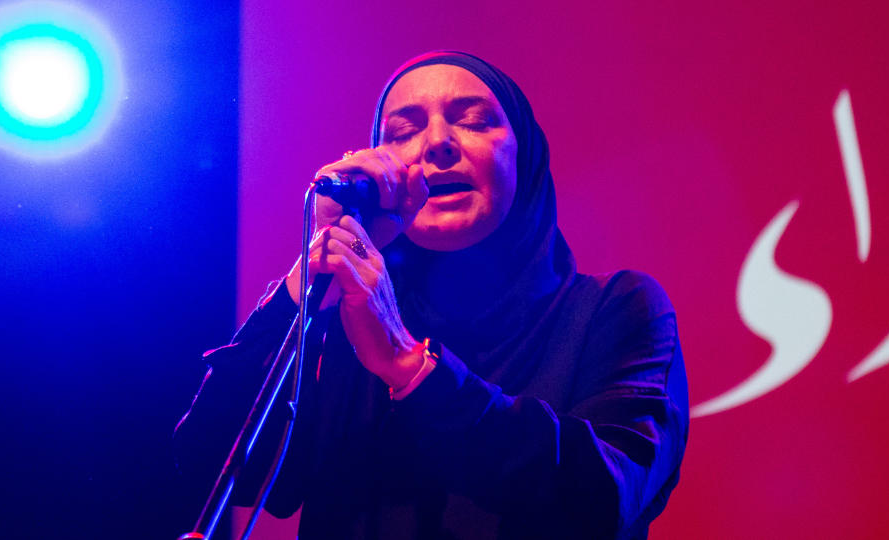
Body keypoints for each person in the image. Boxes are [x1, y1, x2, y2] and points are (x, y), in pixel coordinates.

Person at [175, 51, 689, 540]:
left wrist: (406, 365)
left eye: (473, 120)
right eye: (405, 131)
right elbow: (212, 460)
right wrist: (307, 277)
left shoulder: (616, 310)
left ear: (525, 156)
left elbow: (603, 497)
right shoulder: (350, 322)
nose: (438, 143)